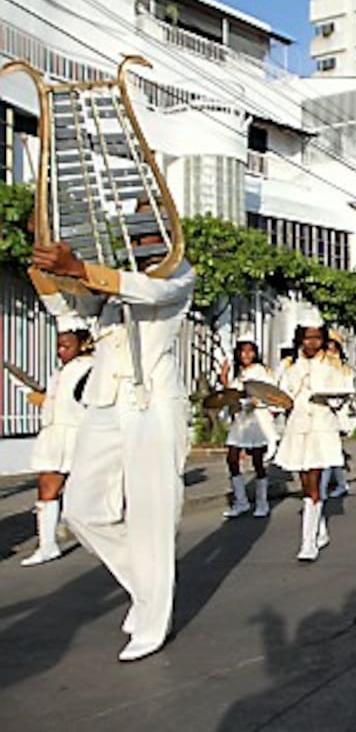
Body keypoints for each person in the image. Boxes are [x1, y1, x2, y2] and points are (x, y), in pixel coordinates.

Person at [31, 224, 195, 663]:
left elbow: (151, 294)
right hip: (105, 400)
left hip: (152, 403)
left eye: (148, 237)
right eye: (136, 237)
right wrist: (46, 260)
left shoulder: (178, 273)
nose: (141, 245)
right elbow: (71, 308)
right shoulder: (109, 282)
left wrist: (81, 267)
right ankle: (147, 590)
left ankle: (151, 620)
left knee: (150, 514)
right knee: (82, 510)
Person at [20, 317, 93, 566]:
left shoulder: (90, 367)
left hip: (76, 434)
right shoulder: (61, 371)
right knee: (47, 486)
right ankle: (47, 544)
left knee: (80, 489)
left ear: (83, 344)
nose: (61, 352)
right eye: (59, 346)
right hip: (54, 434)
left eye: (66, 346)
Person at [275, 316, 344, 562]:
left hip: (321, 428)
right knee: (304, 481)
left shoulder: (331, 368)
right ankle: (320, 528)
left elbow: (340, 399)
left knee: (313, 482)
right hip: (298, 428)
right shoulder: (291, 369)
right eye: (308, 337)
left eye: (317, 337)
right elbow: (281, 398)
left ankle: (308, 542)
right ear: (300, 339)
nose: (312, 342)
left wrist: (328, 396)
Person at [219, 338, 277, 519]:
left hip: (257, 418)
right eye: (243, 351)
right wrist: (224, 379)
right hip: (241, 419)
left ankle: (262, 503)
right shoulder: (240, 373)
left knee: (258, 461)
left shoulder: (261, 371)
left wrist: (258, 401)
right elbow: (234, 394)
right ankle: (241, 502)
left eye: (250, 351)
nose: (246, 355)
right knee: (232, 457)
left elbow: (271, 393)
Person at [319, 332, 356, 500]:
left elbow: (347, 389)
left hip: (336, 412)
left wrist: (337, 403)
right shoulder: (320, 364)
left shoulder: (344, 368)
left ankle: (322, 489)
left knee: (329, 451)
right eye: (328, 345)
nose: (330, 348)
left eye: (333, 345)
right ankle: (341, 484)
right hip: (323, 410)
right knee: (331, 451)